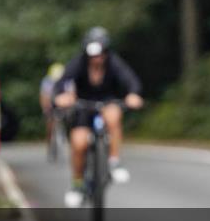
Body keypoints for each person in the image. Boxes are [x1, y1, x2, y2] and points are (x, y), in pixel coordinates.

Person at [53, 27, 144, 208]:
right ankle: (77, 184)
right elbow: (61, 83)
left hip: (107, 103)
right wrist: (61, 96)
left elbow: (130, 80)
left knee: (113, 116)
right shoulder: (78, 63)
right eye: (93, 54)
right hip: (83, 106)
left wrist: (133, 94)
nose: (97, 58)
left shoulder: (113, 63)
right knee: (79, 143)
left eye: (101, 53)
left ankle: (114, 161)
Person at [40, 62, 65, 143]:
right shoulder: (47, 81)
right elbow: (44, 96)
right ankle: (49, 140)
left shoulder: (67, 80)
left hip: (63, 102)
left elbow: (71, 93)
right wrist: (45, 108)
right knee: (50, 122)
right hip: (51, 102)